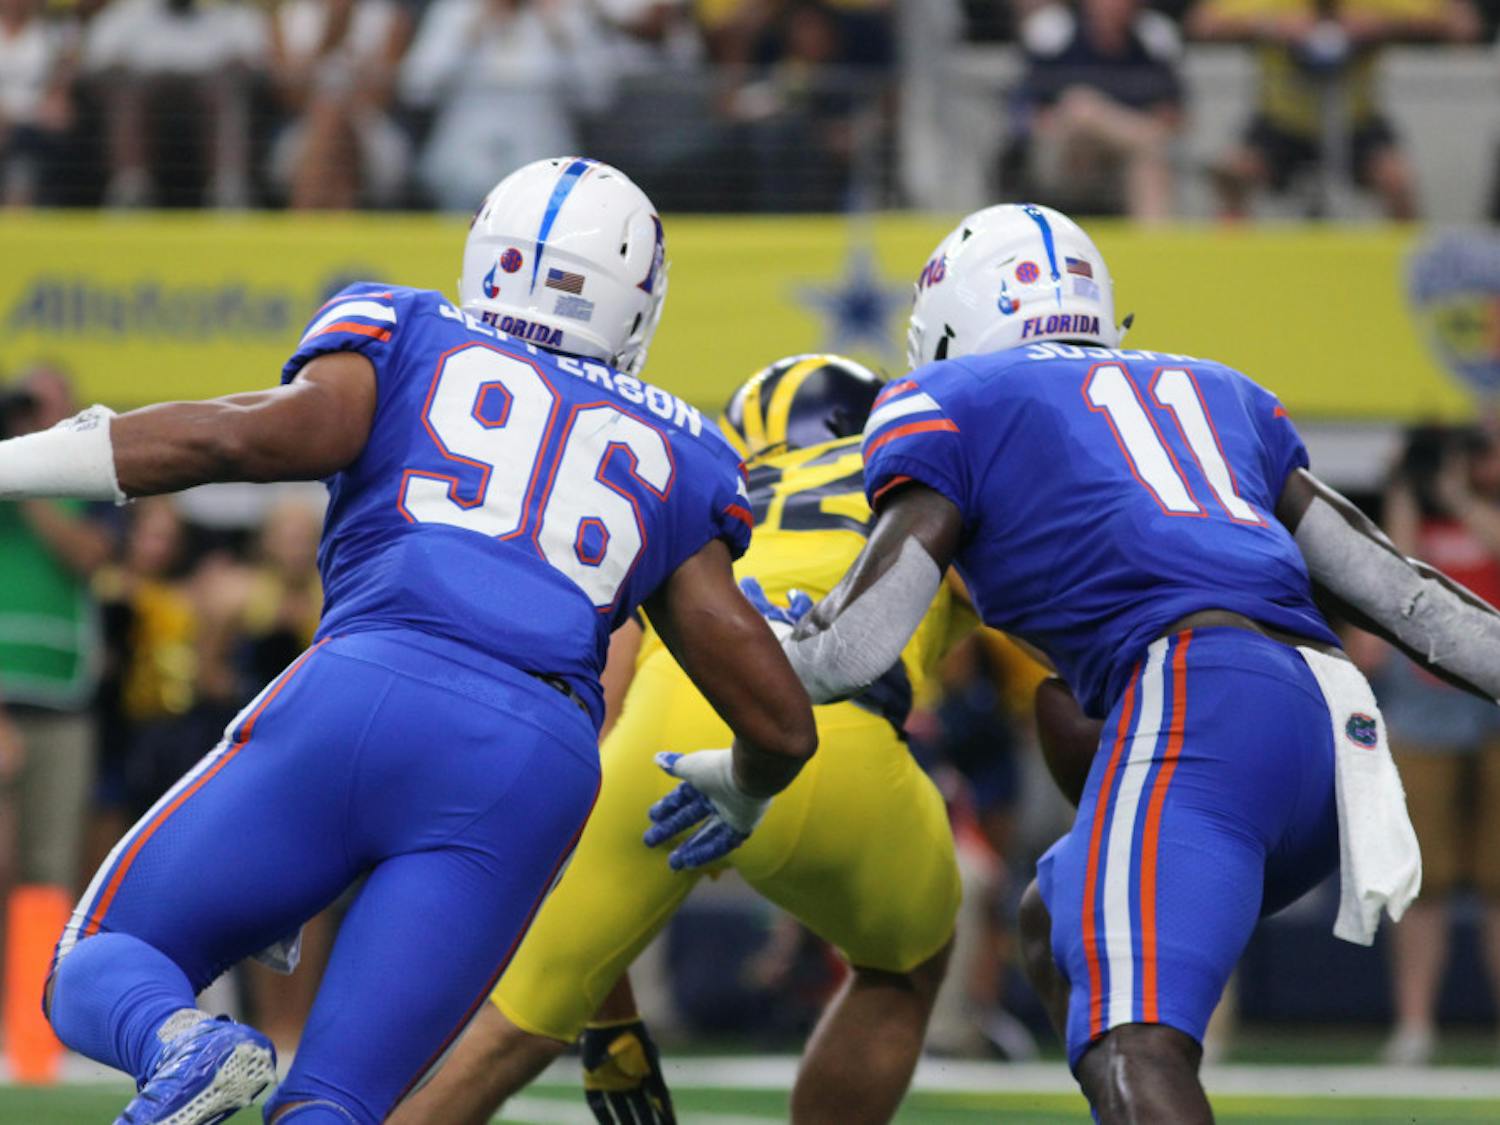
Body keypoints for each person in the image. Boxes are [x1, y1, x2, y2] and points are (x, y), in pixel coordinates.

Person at [9, 156, 816, 1125]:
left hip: (372, 680)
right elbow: (779, 721)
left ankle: (183, 1043)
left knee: (103, 961)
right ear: (636, 305)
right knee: (338, 1104)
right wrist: (748, 779)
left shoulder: (408, 330)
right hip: (531, 761)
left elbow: (236, 440)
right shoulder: (684, 449)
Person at [705, 201, 1500, 1122]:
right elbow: (1397, 589)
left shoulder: (952, 397)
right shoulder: (1218, 389)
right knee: (1053, 924)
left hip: (1196, 707)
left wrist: (760, 665)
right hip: (1329, 734)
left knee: (1135, 1046)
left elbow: (854, 647)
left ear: (951, 325)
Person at [392, 353, 970, 1125]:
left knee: (510, 1033)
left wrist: (607, 1020)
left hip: (666, 726)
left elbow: (596, 719)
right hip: (835, 740)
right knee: (905, 969)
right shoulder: (931, 480)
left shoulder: (697, 492)